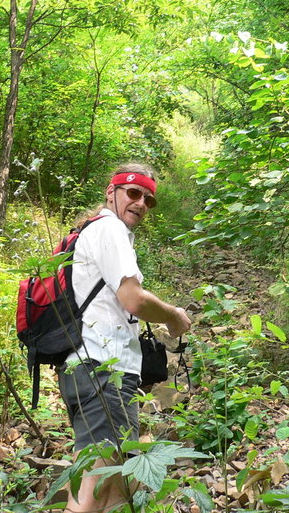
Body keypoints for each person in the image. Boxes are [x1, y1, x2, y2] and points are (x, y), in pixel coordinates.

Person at [58, 162, 191, 513]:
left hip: (94, 370)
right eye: (133, 193)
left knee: (121, 487)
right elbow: (133, 298)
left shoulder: (93, 231)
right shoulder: (109, 231)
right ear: (111, 192)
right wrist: (174, 316)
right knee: (94, 486)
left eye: (149, 199)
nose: (141, 203)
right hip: (102, 369)